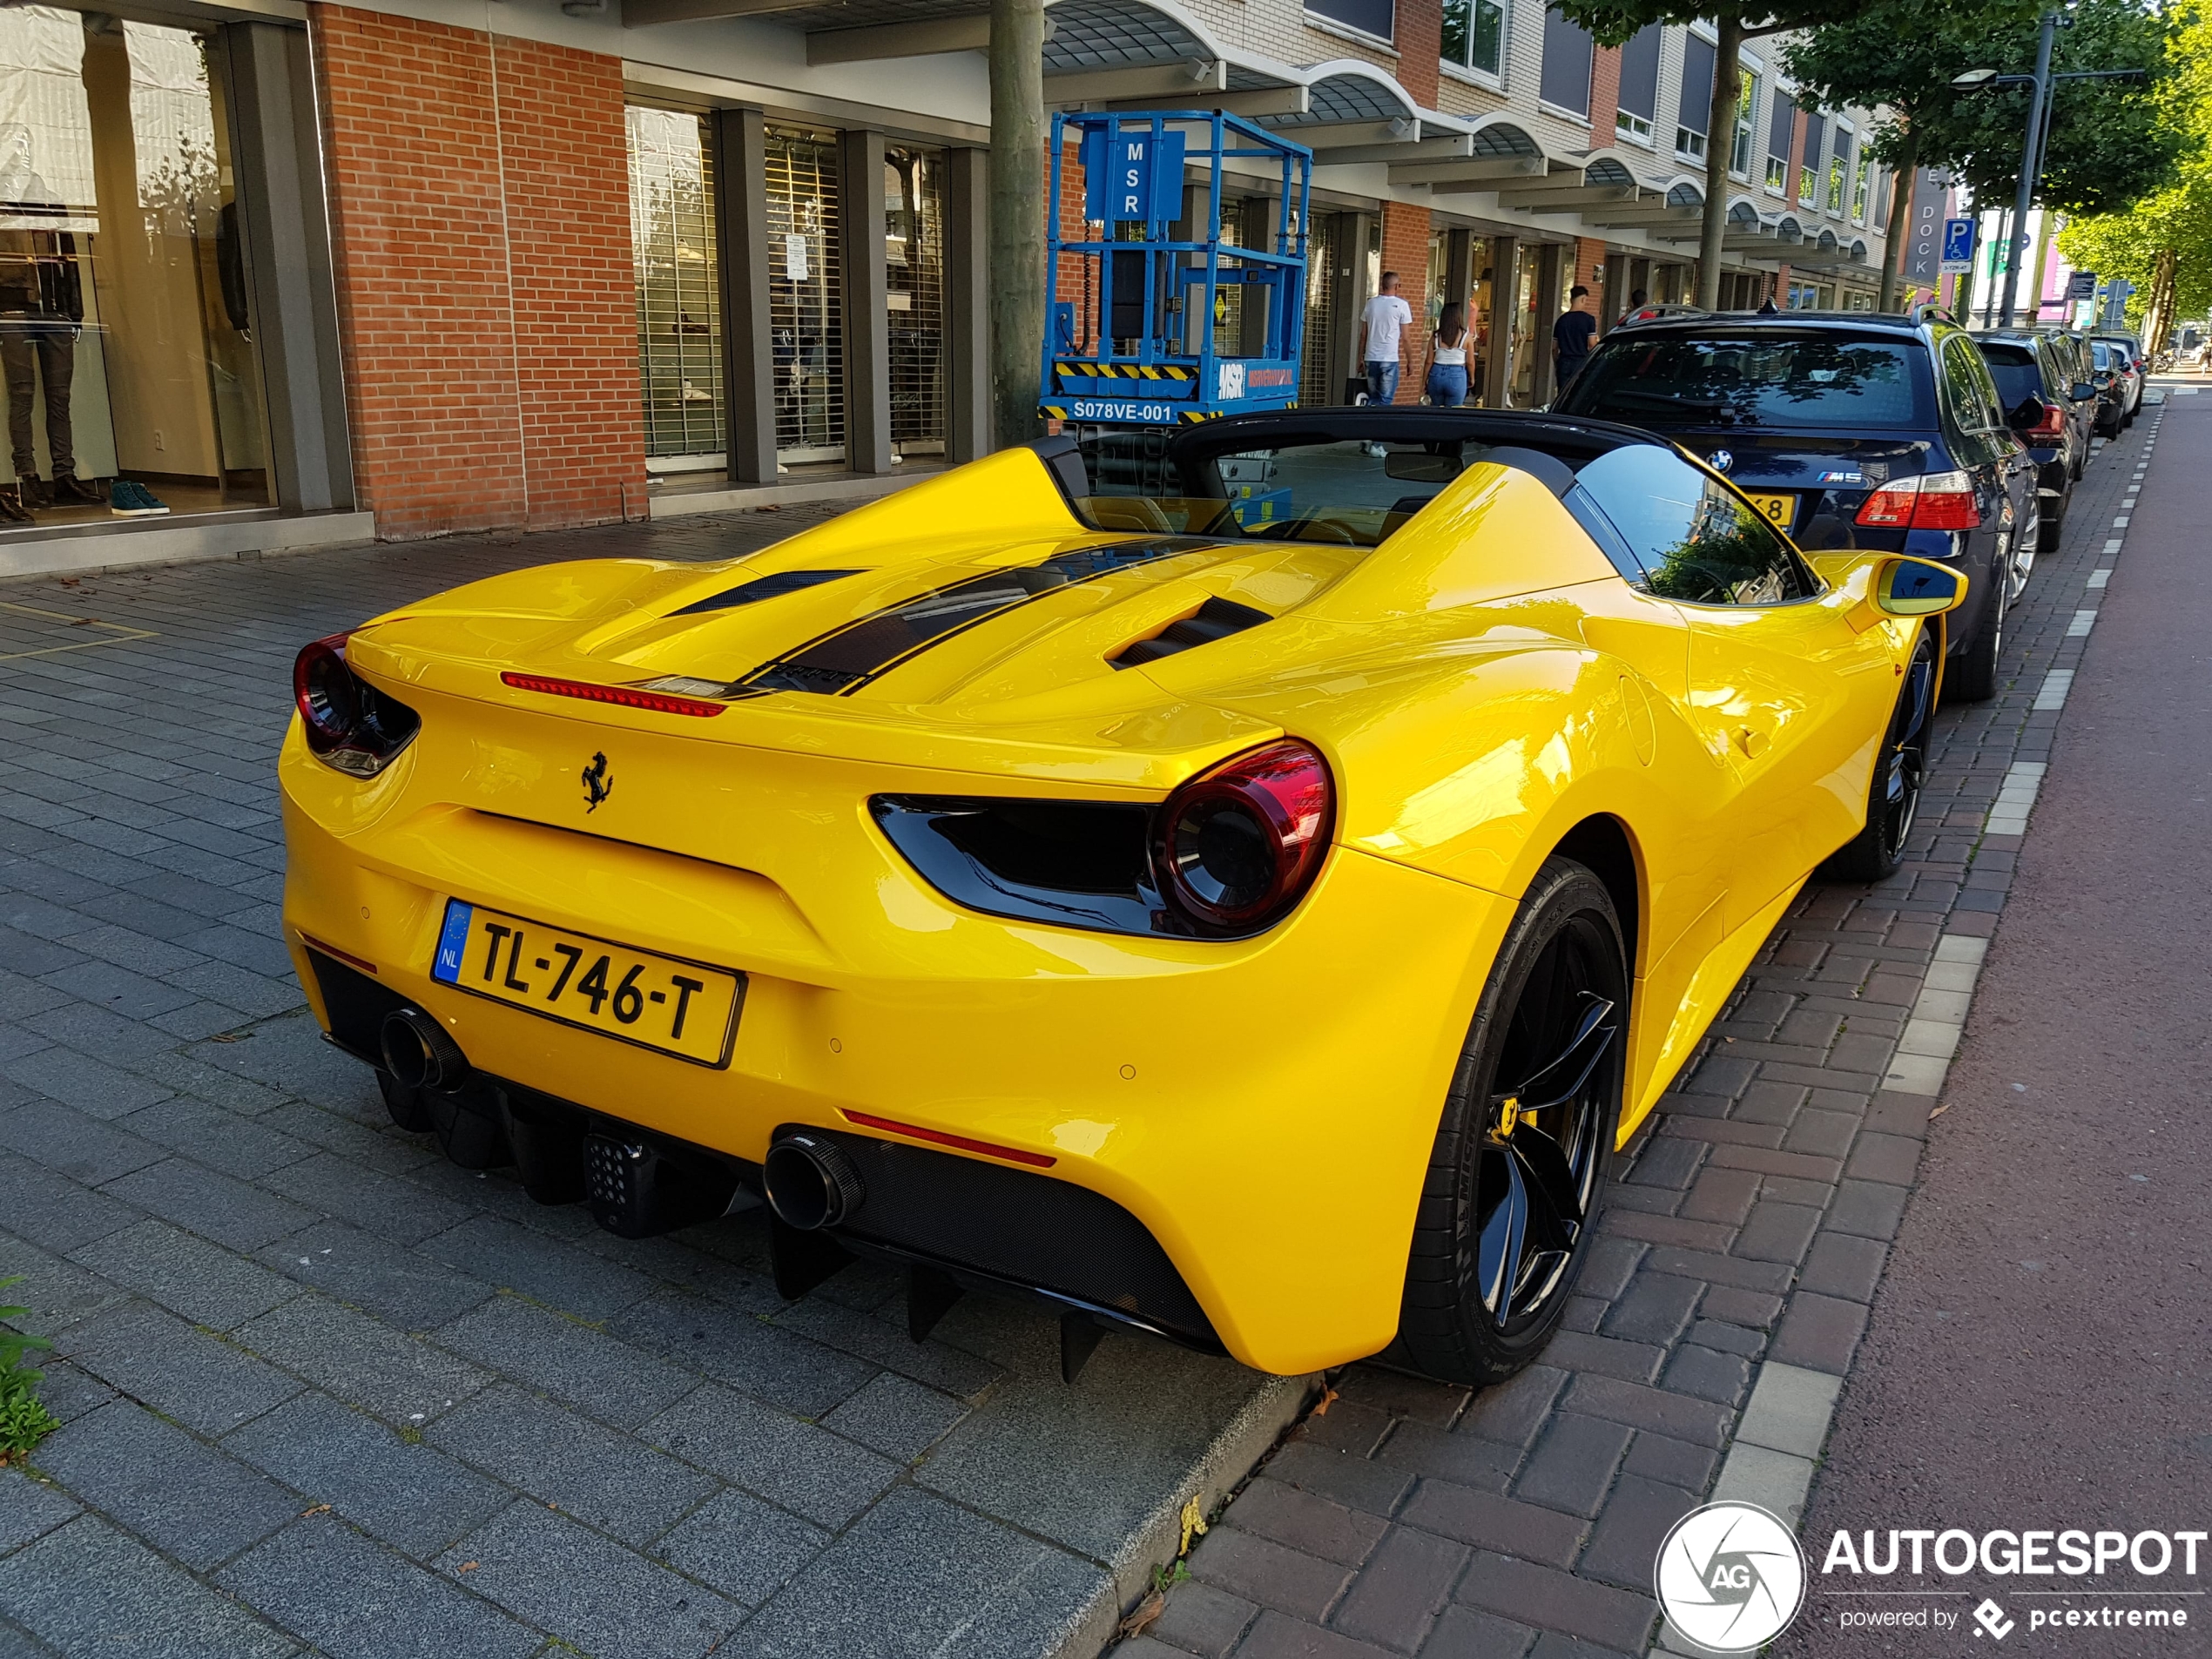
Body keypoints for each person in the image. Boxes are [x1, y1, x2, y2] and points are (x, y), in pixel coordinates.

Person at [1359, 272, 1413, 407]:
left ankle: (1370, 424)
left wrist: (1360, 357)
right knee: (1386, 400)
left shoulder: (1371, 304)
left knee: (1373, 398)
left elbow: (1363, 334)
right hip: (1389, 358)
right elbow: (1406, 338)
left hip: (1371, 358)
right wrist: (1410, 361)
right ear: (1397, 286)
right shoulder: (1402, 305)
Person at [1425, 301, 1472, 407]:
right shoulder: (1466, 337)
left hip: (1436, 375)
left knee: (1437, 412)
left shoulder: (1436, 336)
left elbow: (1428, 361)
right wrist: (1472, 377)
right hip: (1457, 376)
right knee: (1453, 414)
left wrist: (1424, 380)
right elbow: (1470, 362)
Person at [1552, 284, 1597, 390]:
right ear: (1583, 299)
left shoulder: (1561, 320)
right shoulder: (1589, 320)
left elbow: (1554, 348)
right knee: (1577, 395)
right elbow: (1592, 344)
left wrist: (1557, 363)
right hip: (1581, 362)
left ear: (1571, 299)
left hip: (1564, 362)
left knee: (1562, 396)